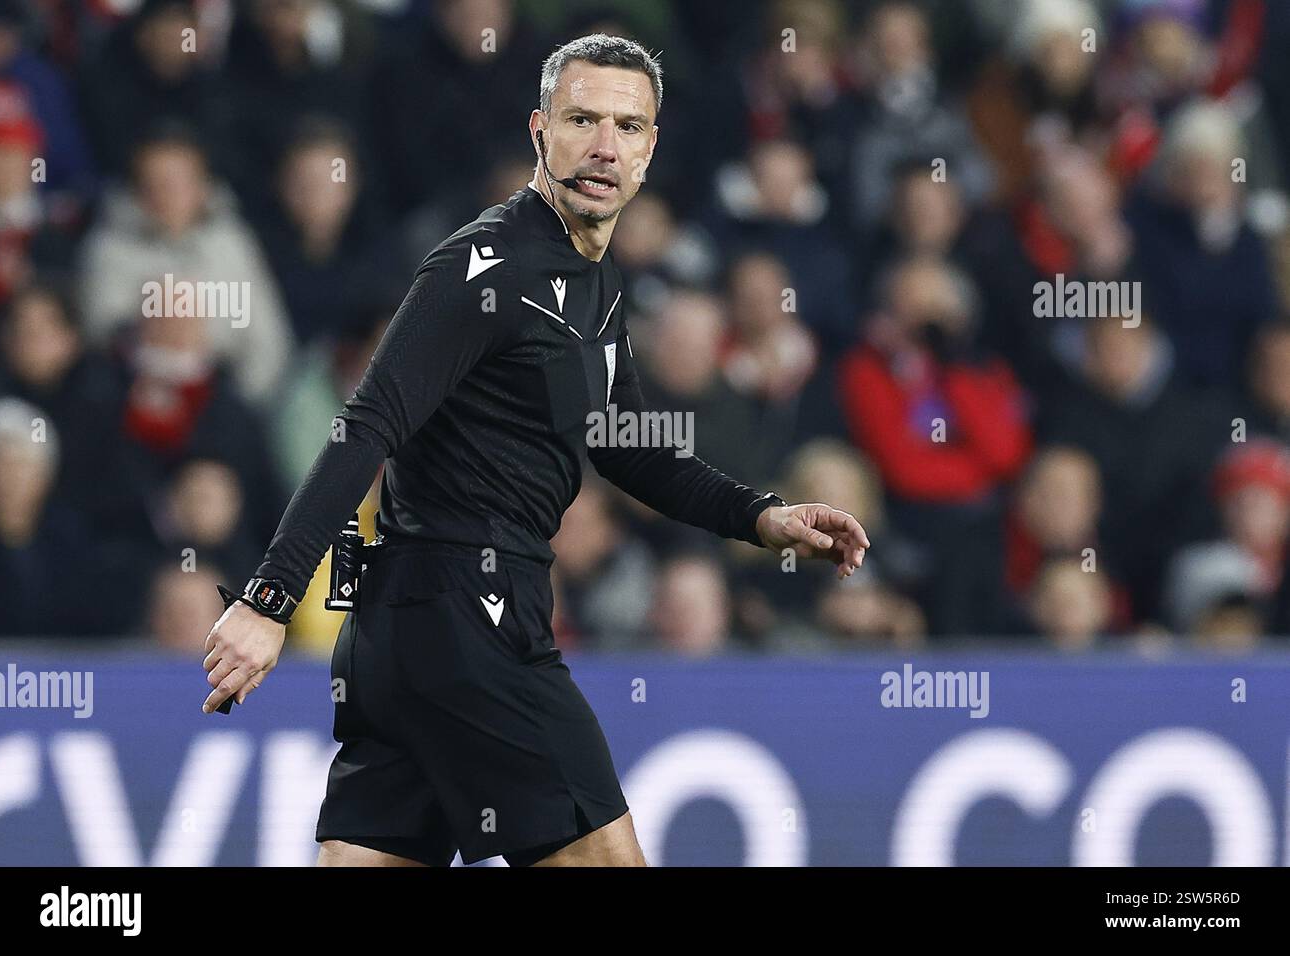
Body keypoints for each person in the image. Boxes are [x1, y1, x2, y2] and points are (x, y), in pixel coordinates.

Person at [199, 34, 869, 869]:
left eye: (628, 126)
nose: (604, 146)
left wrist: (762, 516)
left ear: (651, 150)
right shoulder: (485, 265)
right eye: (582, 119)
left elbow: (629, 450)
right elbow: (366, 425)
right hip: (467, 612)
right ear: (539, 130)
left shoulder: (597, 280)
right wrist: (268, 600)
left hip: (406, 632)